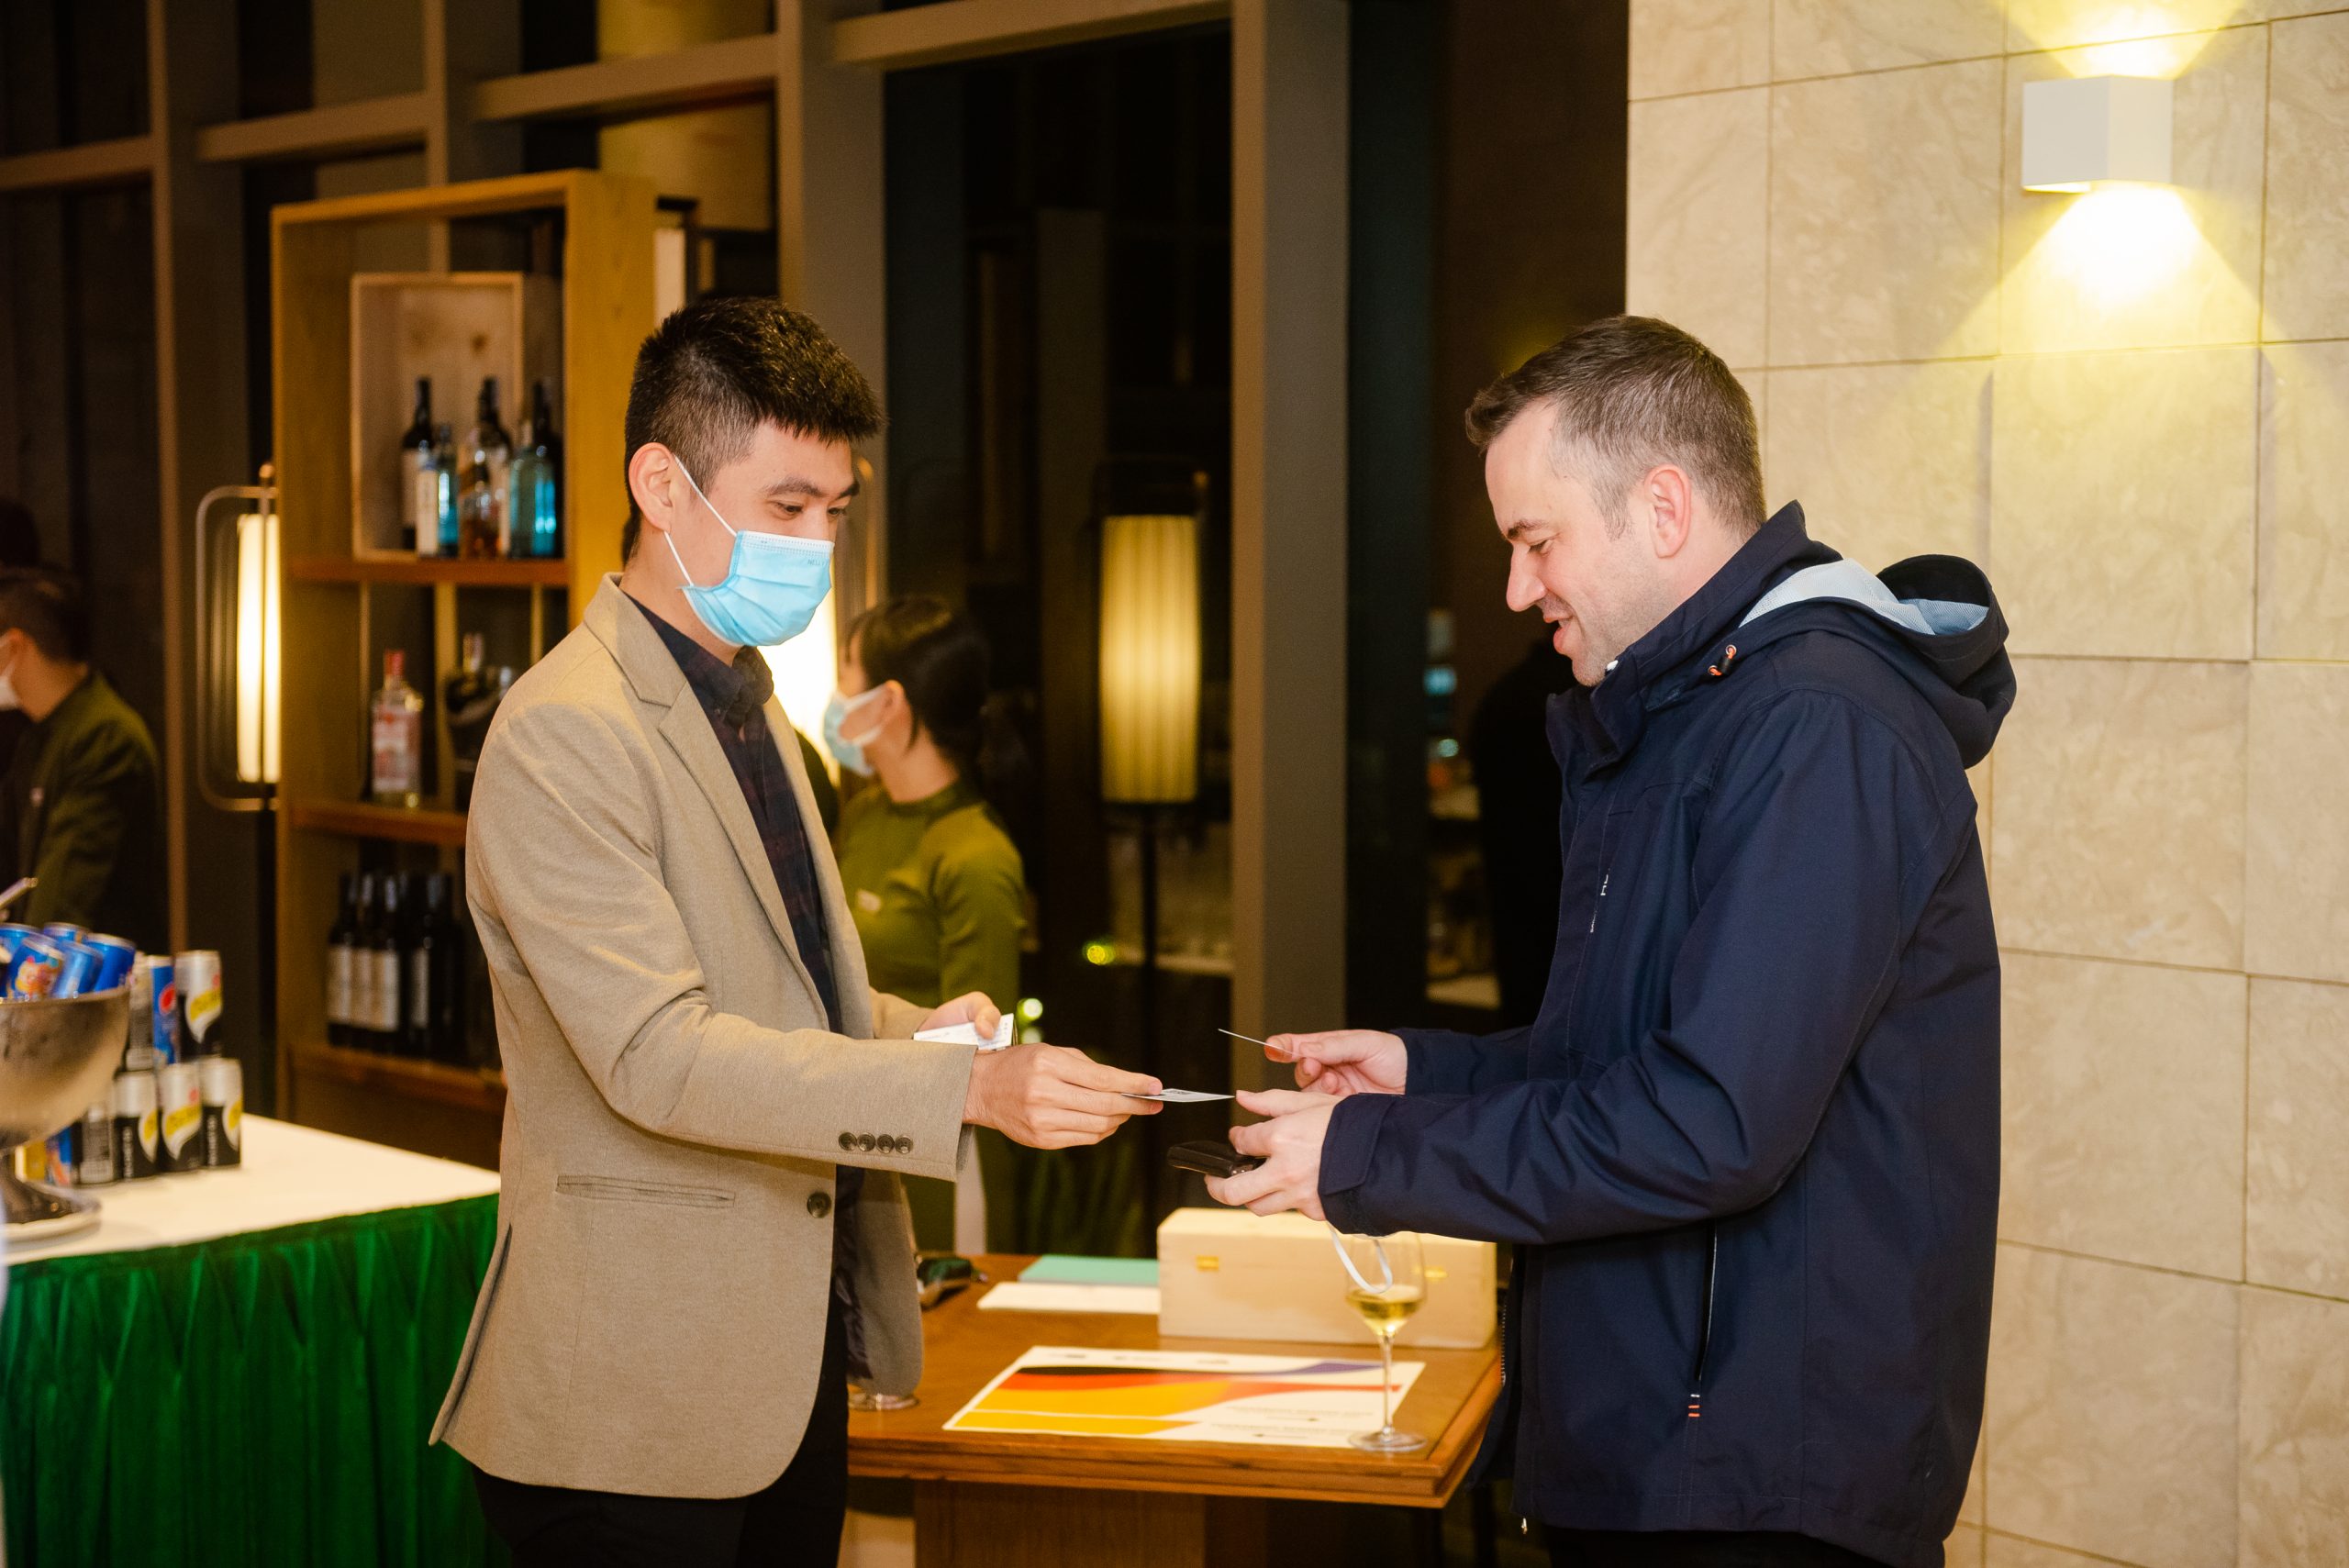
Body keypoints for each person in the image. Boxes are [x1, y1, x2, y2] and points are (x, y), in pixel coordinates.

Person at [1209, 316, 2010, 1568]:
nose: (1516, 588)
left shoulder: (1815, 725)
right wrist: (1425, 1076)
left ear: (1663, 507)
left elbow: (1708, 1121)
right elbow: (1628, 1058)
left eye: (1536, 541)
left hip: (1755, 1478)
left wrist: (1371, 1155)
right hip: (1668, 1452)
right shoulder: (1692, 713)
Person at [432, 296, 1162, 1567]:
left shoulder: (752, 705)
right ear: (662, 485)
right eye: (786, 507)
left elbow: (786, 998)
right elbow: (659, 1053)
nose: (818, 546)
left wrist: (921, 1035)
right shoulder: (565, 731)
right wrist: (962, 1092)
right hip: (631, 1399)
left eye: (836, 510)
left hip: (779, 1377)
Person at [827, 595, 1028, 1254]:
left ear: (887, 701)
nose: (836, 694)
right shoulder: (865, 816)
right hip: (853, 1128)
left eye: (846, 672)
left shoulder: (973, 853)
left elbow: (981, 1052)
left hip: (940, 1154)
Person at [0, 568, 166, 951]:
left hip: (99, 973)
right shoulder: (39, 737)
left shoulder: (105, 735)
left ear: (16, 646)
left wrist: (30, 962)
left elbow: (63, 899)